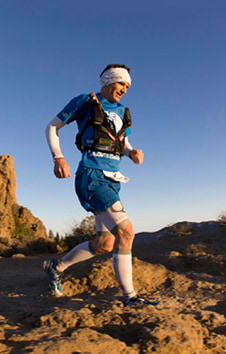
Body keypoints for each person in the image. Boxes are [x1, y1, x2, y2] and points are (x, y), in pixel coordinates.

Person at [43, 64, 158, 307]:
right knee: (126, 233)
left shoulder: (123, 111)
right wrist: (58, 157)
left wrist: (131, 153)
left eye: (127, 86)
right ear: (108, 80)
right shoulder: (86, 101)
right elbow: (52, 127)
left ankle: (56, 267)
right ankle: (131, 298)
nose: (124, 89)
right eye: (121, 84)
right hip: (92, 176)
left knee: (104, 244)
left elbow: (121, 140)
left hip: (113, 179)